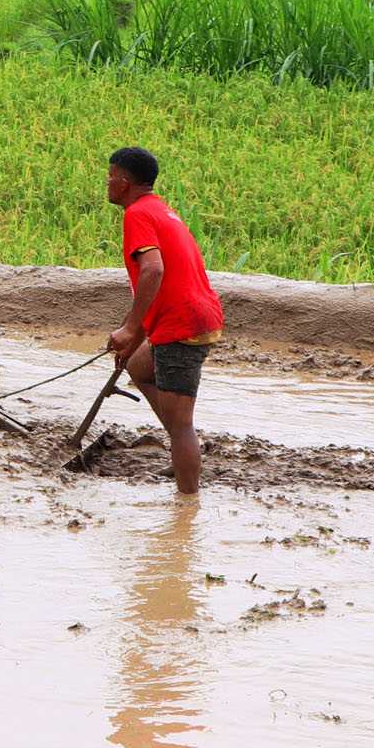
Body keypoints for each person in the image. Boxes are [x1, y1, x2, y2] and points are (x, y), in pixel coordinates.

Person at [103, 147, 223, 494]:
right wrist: (134, 338)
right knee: (138, 366)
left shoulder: (137, 215)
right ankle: (180, 452)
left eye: (110, 176)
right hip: (193, 314)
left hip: (182, 325)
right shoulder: (161, 210)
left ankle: (186, 507)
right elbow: (161, 286)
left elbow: (154, 270)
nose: (107, 183)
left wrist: (128, 327)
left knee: (182, 424)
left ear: (124, 183)